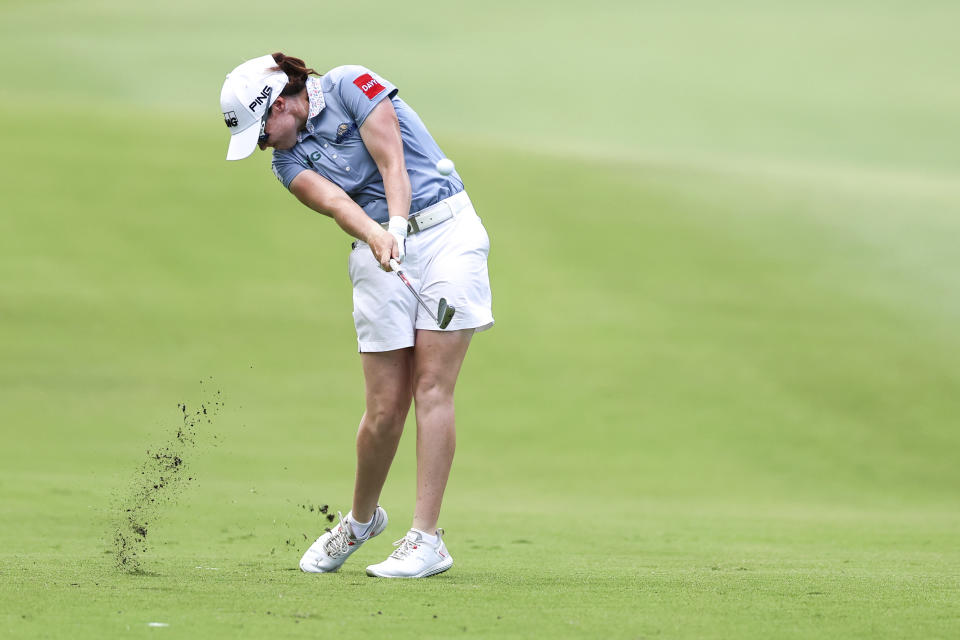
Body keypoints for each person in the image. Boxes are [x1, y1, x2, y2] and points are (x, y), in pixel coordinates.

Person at [219, 53, 493, 578]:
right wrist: (376, 235)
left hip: (447, 234)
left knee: (432, 387)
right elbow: (337, 205)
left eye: (260, 132)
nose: (262, 145)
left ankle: (426, 539)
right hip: (376, 250)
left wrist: (394, 225)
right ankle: (362, 521)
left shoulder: (350, 85)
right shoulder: (286, 163)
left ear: (278, 103)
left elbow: (392, 161)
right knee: (384, 408)